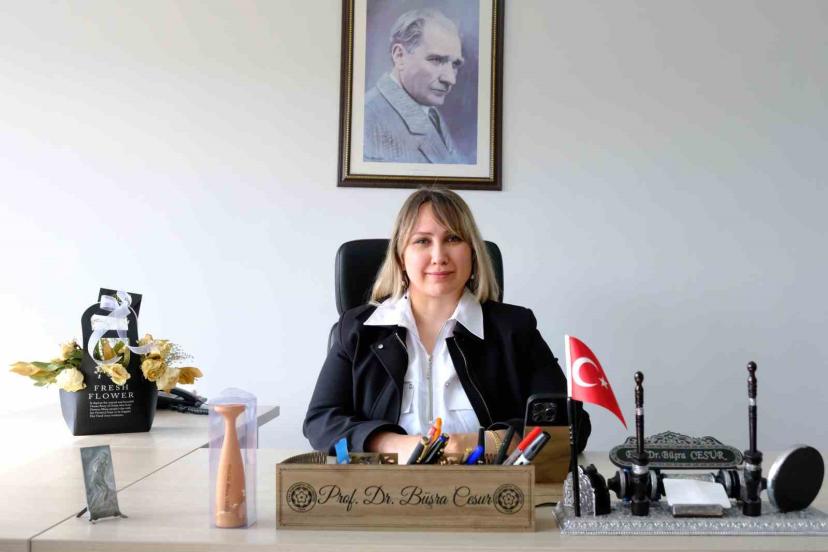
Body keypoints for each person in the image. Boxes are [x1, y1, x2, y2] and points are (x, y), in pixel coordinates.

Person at [304, 187, 591, 461]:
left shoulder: (515, 329)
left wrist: (475, 444)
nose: (439, 256)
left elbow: (572, 424)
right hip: (383, 489)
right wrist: (393, 444)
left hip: (488, 489)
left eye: (453, 239)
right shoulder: (357, 329)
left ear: (473, 253)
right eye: (422, 241)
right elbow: (321, 421)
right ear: (401, 257)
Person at [363, 8, 466, 164]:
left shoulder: (430, 112)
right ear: (400, 56)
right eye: (436, 60)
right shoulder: (367, 122)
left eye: (455, 64)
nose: (451, 79)